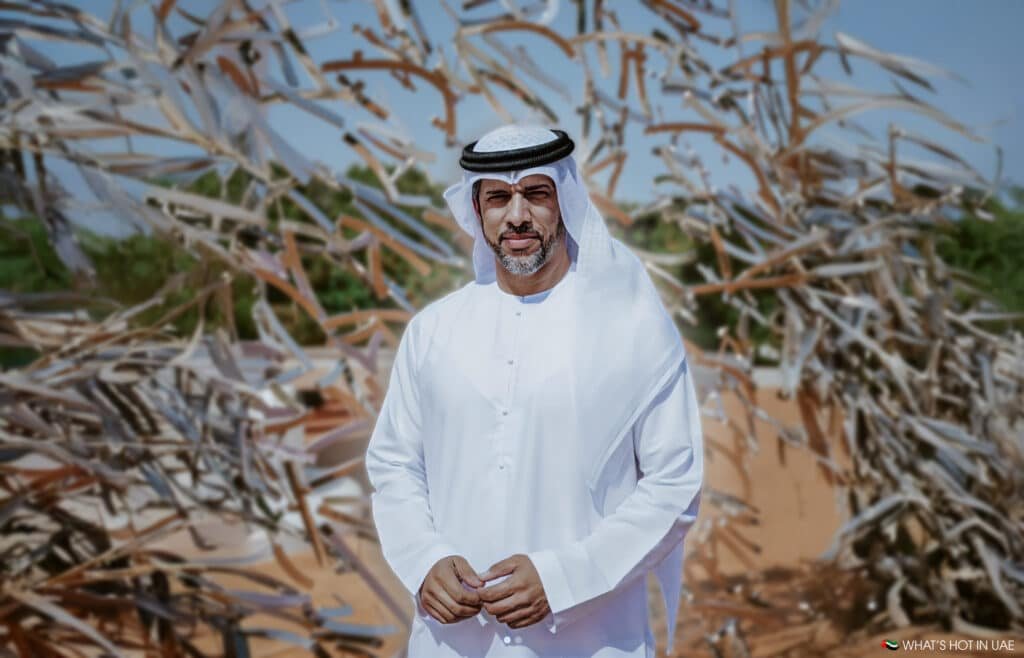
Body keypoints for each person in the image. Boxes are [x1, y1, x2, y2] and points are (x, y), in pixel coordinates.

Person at [365, 124, 704, 657]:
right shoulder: (433, 331)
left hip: (589, 643)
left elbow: (674, 483)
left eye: (536, 194)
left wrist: (563, 578)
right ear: (477, 210)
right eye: (498, 198)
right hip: (453, 644)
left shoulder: (631, 329)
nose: (517, 215)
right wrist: (424, 559)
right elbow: (395, 465)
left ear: (564, 200)